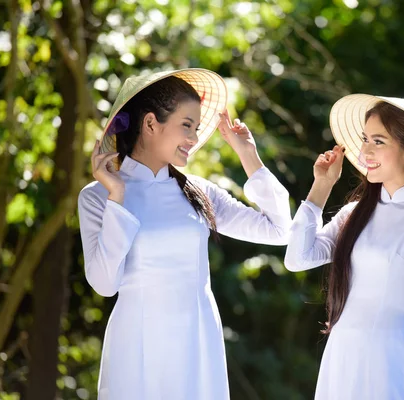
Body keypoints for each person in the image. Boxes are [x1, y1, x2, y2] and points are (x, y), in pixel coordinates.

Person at [77, 68, 292, 399]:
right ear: (150, 124)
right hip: (136, 349)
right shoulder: (97, 196)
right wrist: (117, 198)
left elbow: (280, 231)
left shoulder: (199, 192)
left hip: (196, 343)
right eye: (186, 126)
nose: (194, 138)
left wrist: (248, 154)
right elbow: (105, 285)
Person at [284, 94, 404, 400]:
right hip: (341, 356)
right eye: (365, 139)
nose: (364, 151)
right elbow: (298, 258)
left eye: (378, 141)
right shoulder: (355, 213)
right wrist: (321, 186)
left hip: (390, 362)